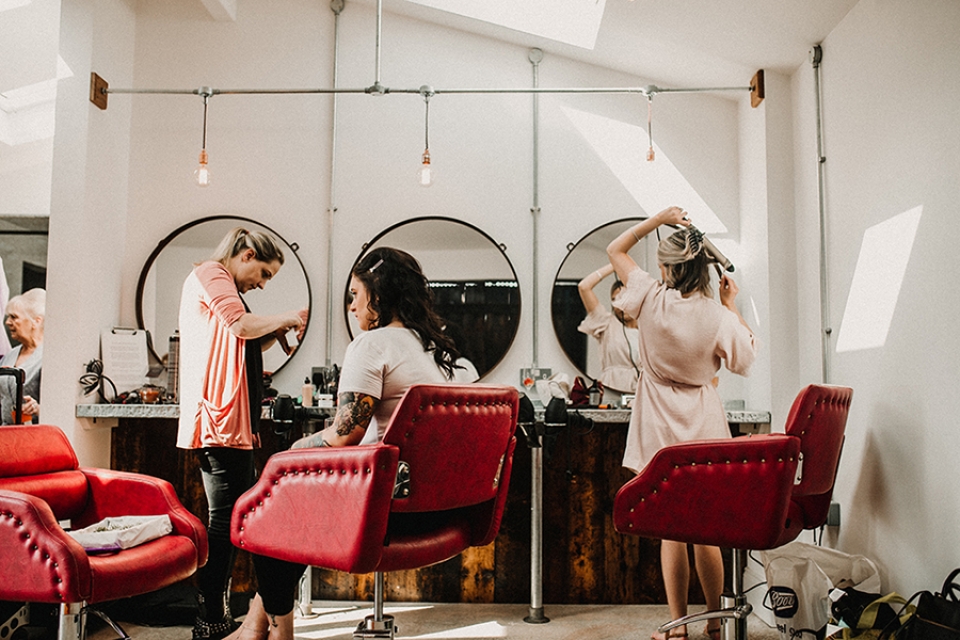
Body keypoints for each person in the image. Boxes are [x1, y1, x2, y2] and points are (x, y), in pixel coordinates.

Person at [226, 246, 461, 640]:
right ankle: (256, 622)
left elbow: (344, 434)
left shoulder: (371, 345)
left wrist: (293, 453)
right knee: (294, 508)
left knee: (271, 503)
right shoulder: (442, 351)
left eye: (355, 294)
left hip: (385, 508)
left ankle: (279, 632)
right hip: (436, 506)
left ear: (378, 296)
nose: (352, 306)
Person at [607, 206, 757, 640]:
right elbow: (746, 357)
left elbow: (615, 248)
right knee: (705, 531)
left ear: (667, 267)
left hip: (658, 424)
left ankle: (676, 627)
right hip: (704, 418)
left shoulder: (649, 297)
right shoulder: (716, 315)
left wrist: (658, 219)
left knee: (671, 530)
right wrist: (731, 304)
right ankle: (714, 621)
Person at [177, 227, 305, 640]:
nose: (263, 283)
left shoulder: (224, 283)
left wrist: (273, 332)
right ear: (246, 253)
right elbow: (238, 325)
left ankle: (226, 614)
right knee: (228, 520)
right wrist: (285, 317)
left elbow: (243, 340)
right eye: (264, 273)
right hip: (220, 421)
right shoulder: (213, 273)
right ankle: (212, 616)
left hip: (231, 420)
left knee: (234, 517)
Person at [577, 262, 640, 391]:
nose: (620, 304)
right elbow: (584, 287)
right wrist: (614, 265)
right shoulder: (607, 323)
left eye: (624, 298)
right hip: (612, 389)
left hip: (642, 392)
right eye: (614, 299)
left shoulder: (649, 328)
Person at [0, 288, 45, 424]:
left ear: (36, 321)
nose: (7, 322)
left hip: (33, 436)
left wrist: (38, 409)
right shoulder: (10, 356)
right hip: (6, 435)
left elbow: (62, 404)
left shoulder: (47, 358)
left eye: (14, 317)